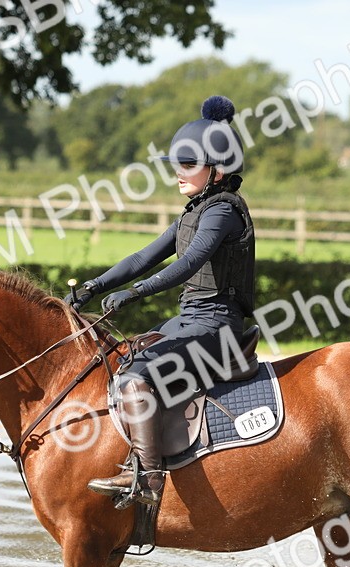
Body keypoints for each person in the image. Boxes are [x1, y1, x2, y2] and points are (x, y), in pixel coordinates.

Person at [66, 95, 256, 507]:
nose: (178, 174)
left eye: (188, 165)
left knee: (137, 379)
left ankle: (148, 479)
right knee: (123, 361)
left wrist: (134, 294)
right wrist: (92, 288)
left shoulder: (223, 213)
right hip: (189, 321)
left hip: (217, 325)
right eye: (177, 165)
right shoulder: (194, 211)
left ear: (218, 169)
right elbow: (143, 258)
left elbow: (188, 264)